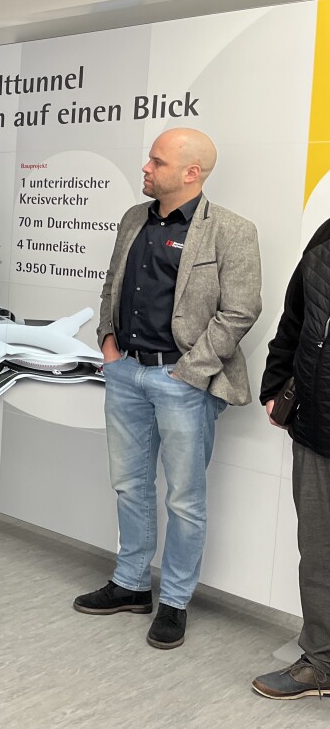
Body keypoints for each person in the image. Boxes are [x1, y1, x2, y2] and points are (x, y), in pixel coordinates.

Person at [75, 127, 262, 650]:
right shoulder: (134, 219)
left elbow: (241, 310)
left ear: (191, 173)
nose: (146, 168)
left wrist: (191, 371)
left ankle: (175, 601)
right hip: (126, 373)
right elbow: (113, 284)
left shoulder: (231, 230)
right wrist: (108, 343)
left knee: (184, 499)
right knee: (130, 485)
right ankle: (132, 584)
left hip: (183, 380)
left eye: (156, 162)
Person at [251, 218, 330, 698]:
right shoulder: (326, 237)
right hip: (318, 427)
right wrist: (276, 387)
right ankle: (322, 662)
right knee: (319, 555)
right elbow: (295, 322)